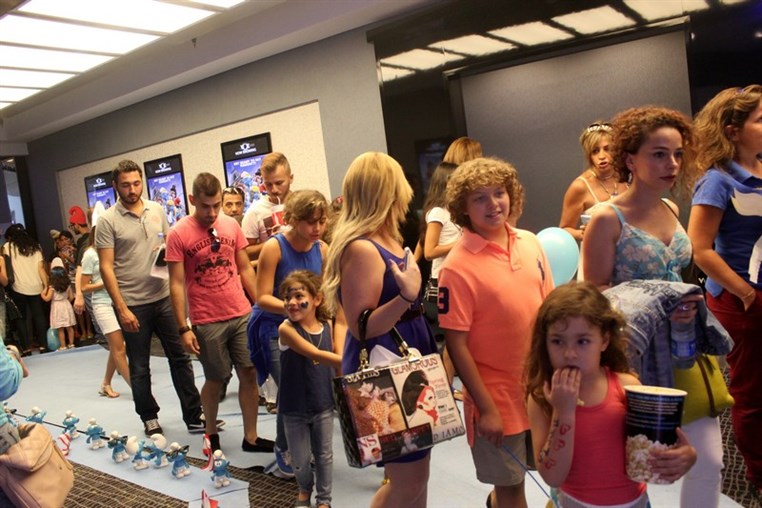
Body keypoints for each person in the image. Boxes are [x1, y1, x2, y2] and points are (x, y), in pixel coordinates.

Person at [581, 106, 725, 507]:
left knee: (709, 460)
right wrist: (653, 303)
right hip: (632, 351)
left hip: (683, 344)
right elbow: (594, 294)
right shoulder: (607, 218)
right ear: (630, 159)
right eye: (659, 154)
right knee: (630, 463)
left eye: (677, 154)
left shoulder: (671, 210)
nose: (672, 164)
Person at [323, 151, 438, 508]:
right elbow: (363, 326)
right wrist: (406, 297)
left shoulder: (385, 239)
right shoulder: (362, 248)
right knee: (408, 479)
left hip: (405, 358)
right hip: (386, 366)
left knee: (416, 475)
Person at [437, 157, 554, 508]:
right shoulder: (457, 267)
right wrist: (486, 409)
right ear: (463, 208)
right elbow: (457, 346)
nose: (493, 204)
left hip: (541, 387)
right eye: (480, 198)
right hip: (496, 397)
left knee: (555, 470)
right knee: (511, 486)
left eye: (499, 193)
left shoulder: (530, 242)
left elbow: (551, 312)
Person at [525, 281, 697, 507]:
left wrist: (684, 456)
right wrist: (563, 411)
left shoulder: (626, 386)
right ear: (545, 342)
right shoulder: (543, 396)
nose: (569, 353)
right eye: (557, 341)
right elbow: (552, 477)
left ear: (604, 340)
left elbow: (652, 453)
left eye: (583, 341)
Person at [95, 159, 213, 437]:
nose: (132, 189)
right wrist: (121, 308)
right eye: (125, 185)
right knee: (139, 366)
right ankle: (149, 417)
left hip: (164, 298)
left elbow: (171, 248)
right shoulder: (107, 221)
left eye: (136, 183)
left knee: (180, 358)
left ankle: (194, 415)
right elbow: (106, 267)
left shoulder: (157, 209)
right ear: (115, 186)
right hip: (133, 304)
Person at [688, 84, 762, 495]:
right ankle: (757, 476)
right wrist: (747, 294)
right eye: (761, 120)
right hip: (742, 300)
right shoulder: (717, 181)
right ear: (733, 130)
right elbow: (700, 249)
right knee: (752, 394)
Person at [166, 172, 272, 455]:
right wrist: (183, 327)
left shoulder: (230, 225)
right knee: (216, 378)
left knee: (249, 373)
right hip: (206, 318)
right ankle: (210, 433)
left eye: (216, 206)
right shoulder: (178, 233)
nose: (212, 213)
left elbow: (244, 267)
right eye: (205, 206)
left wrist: (260, 304)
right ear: (192, 200)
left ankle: (251, 437)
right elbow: (175, 283)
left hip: (240, 312)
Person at [251, 189, 331, 477]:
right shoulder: (275, 247)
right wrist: (295, 308)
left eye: (322, 221)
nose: (317, 228)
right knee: (289, 389)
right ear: (294, 220)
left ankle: (301, 445)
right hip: (273, 326)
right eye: (311, 222)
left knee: (309, 387)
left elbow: (323, 293)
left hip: (306, 326)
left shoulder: (321, 249)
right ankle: (284, 447)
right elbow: (262, 297)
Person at [277, 270, 341, 508]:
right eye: (287, 297)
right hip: (294, 407)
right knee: (300, 460)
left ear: (317, 299)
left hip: (322, 403)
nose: (291, 302)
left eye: (298, 296)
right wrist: (350, 361)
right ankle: (305, 486)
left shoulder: (327, 326)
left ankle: (324, 499)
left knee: (324, 455)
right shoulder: (286, 329)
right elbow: (316, 354)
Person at [419, 161, 461, 395]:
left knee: (455, 342)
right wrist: (460, 243)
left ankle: (448, 389)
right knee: (449, 342)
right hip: (441, 284)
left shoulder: (456, 212)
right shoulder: (438, 212)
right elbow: (429, 250)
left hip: (457, 282)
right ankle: (444, 391)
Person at [80, 224, 130, 398]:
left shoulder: (112, 252)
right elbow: (84, 287)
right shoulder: (90, 255)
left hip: (118, 303)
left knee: (118, 347)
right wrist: (105, 283)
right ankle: (139, 389)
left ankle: (106, 384)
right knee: (119, 348)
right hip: (102, 304)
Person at [559, 122, 624, 242]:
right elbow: (564, 229)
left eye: (607, 149)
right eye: (595, 151)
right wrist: (585, 234)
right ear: (589, 155)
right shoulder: (580, 186)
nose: (602, 156)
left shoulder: (627, 176)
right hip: (598, 250)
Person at [2, 224, 48, 355]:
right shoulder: (36, 247)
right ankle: (43, 346)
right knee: (39, 316)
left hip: (18, 287)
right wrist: (46, 286)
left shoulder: (7, 247)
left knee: (20, 318)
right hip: (36, 286)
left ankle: (26, 348)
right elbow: (41, 268)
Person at [241, 152, 294, 261]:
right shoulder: (254, 211)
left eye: (279, 183)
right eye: (268, 184)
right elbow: (245, 253)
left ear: (291, 178)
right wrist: (274, 241)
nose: (274, 190)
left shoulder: (303, 204)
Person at [41, 258, 76, 350]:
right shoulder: (67, 285)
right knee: (69, 326)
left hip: (57, 306)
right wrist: (66, 301)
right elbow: (72, 297)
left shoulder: (52, 287)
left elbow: (47, 298)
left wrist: (42, 294)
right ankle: (71, 344)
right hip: (66, 305)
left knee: (60, 328)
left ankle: (63, 346)